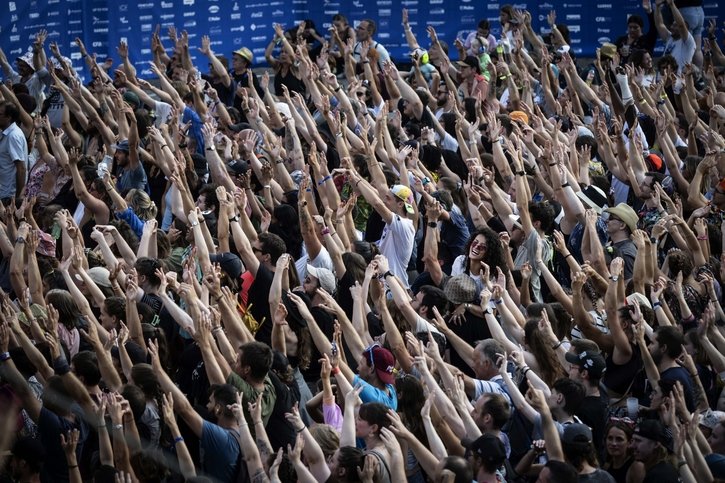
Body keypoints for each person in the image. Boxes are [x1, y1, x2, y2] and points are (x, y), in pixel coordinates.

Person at [0, 101, 28, 201]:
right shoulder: (5, 132)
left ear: (9, 117)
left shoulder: (13, 136)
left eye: (0, 114)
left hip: (8, 195)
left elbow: (21, 168)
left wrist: (18, 197)